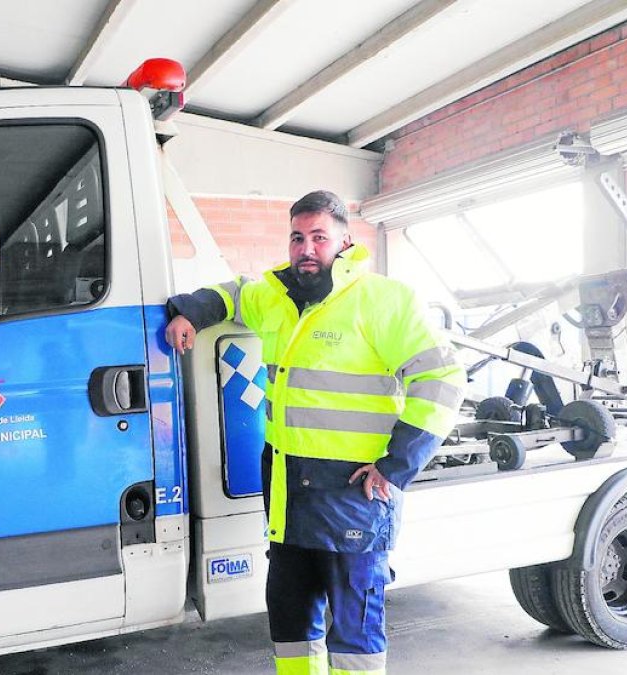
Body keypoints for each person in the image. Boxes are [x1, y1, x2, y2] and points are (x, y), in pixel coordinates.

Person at [165, 190, 466, 675]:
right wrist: (191, 311)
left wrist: (396, 466)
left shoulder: (383, 299)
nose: (306, 248)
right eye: (297, 238)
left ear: (345, 241)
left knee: (354, 631)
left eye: (319, 238)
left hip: (354, 490)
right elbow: (235, 293)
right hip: (288, 489)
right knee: (290, 619)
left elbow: (443, 379)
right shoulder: (275, 297)